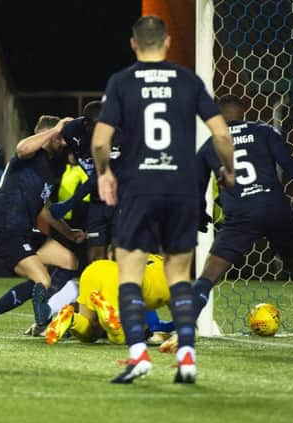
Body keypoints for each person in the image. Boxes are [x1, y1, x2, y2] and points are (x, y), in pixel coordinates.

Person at [91, 15, 235, 384]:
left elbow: (99, 141)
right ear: (168, 43)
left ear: (133, 44)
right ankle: (187, 356)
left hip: (139, 188)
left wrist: (105, 173)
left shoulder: (121, 82)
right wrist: (227, 170)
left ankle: (138, 355)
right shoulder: (188, 80)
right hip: (182, 187)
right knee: (178, 275)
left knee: (130, 275)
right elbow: (221, 134)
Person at [191, 94, 293, 349]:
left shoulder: (209, 146)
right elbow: (291, 166)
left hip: (240, 216)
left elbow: (195, 190)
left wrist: (200, 215)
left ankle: (183, 332)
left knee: (208, 276)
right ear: (242, 111)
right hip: (275, 210)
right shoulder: (264, 131)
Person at [0, 115, 87, 338]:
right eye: (59, 138)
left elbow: (43, 207)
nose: (63, 143)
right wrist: (57, 129)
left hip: (24, 231)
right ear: (47, 134)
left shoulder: (52, 167)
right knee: (41, 280)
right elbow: (22, 148)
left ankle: (43, 319)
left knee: (69, 261)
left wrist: (68, 232)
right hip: (5, 229)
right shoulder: (27, 155)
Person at [45, 255, 173, 345]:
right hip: (116, 279)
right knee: (120, 337)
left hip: (95, 269)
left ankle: (71, 318)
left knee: (90, 334)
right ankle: (105, 312)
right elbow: (156, 325)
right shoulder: (170, 283)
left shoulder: (147, 257)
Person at [50, 101, 121, 262]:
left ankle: (121, 287)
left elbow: (99, 176)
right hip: (96, 202)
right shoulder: (71, 130)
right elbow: (56, 149)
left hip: (119, 199)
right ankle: (96, 287)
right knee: (95, 252)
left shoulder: (117, 135)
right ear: (86, 124)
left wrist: (68, 204)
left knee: (119, 251)